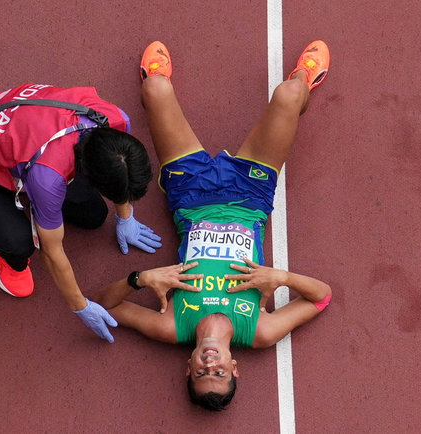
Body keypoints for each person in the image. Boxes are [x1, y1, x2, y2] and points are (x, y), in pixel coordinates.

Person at [92, 41, 333, 409]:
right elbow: (322, 296)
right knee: (289, 94)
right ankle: (304, 77)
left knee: (155, 89)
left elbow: (105, 306)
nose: (210, 365)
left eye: (202, 374)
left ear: (188, 368)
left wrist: (140, 279)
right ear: (234, 367)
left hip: (190, 193)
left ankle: (156, 77)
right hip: (250, 196)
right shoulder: (260, 331)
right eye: (219, 373)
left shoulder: (172, 326)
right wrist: (280, 278)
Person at [0, 83, 162, 342]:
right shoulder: (47, 177)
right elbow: (52, 253)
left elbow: (120, 175)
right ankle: (2, 246)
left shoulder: (116, 121)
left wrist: (125, 216)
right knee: (19, 244)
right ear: (89, 175)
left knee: (94, 216)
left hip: (32, 136)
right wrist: (80, 305)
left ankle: (29, 194)